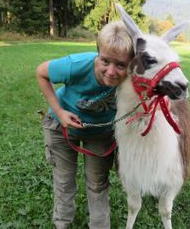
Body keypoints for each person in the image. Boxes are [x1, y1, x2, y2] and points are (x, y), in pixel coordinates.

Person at [36, 21, 134, 229]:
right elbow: (41, 73)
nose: (111, 71)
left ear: (131, 64)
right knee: (64, 181)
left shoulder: (132, 81)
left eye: (121, 65)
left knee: (98, 184)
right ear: (97, 53)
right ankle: (62, 224)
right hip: (60, 128)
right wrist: (60, 112)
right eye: (105, 61)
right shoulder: (77, 65)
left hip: (100, 134)